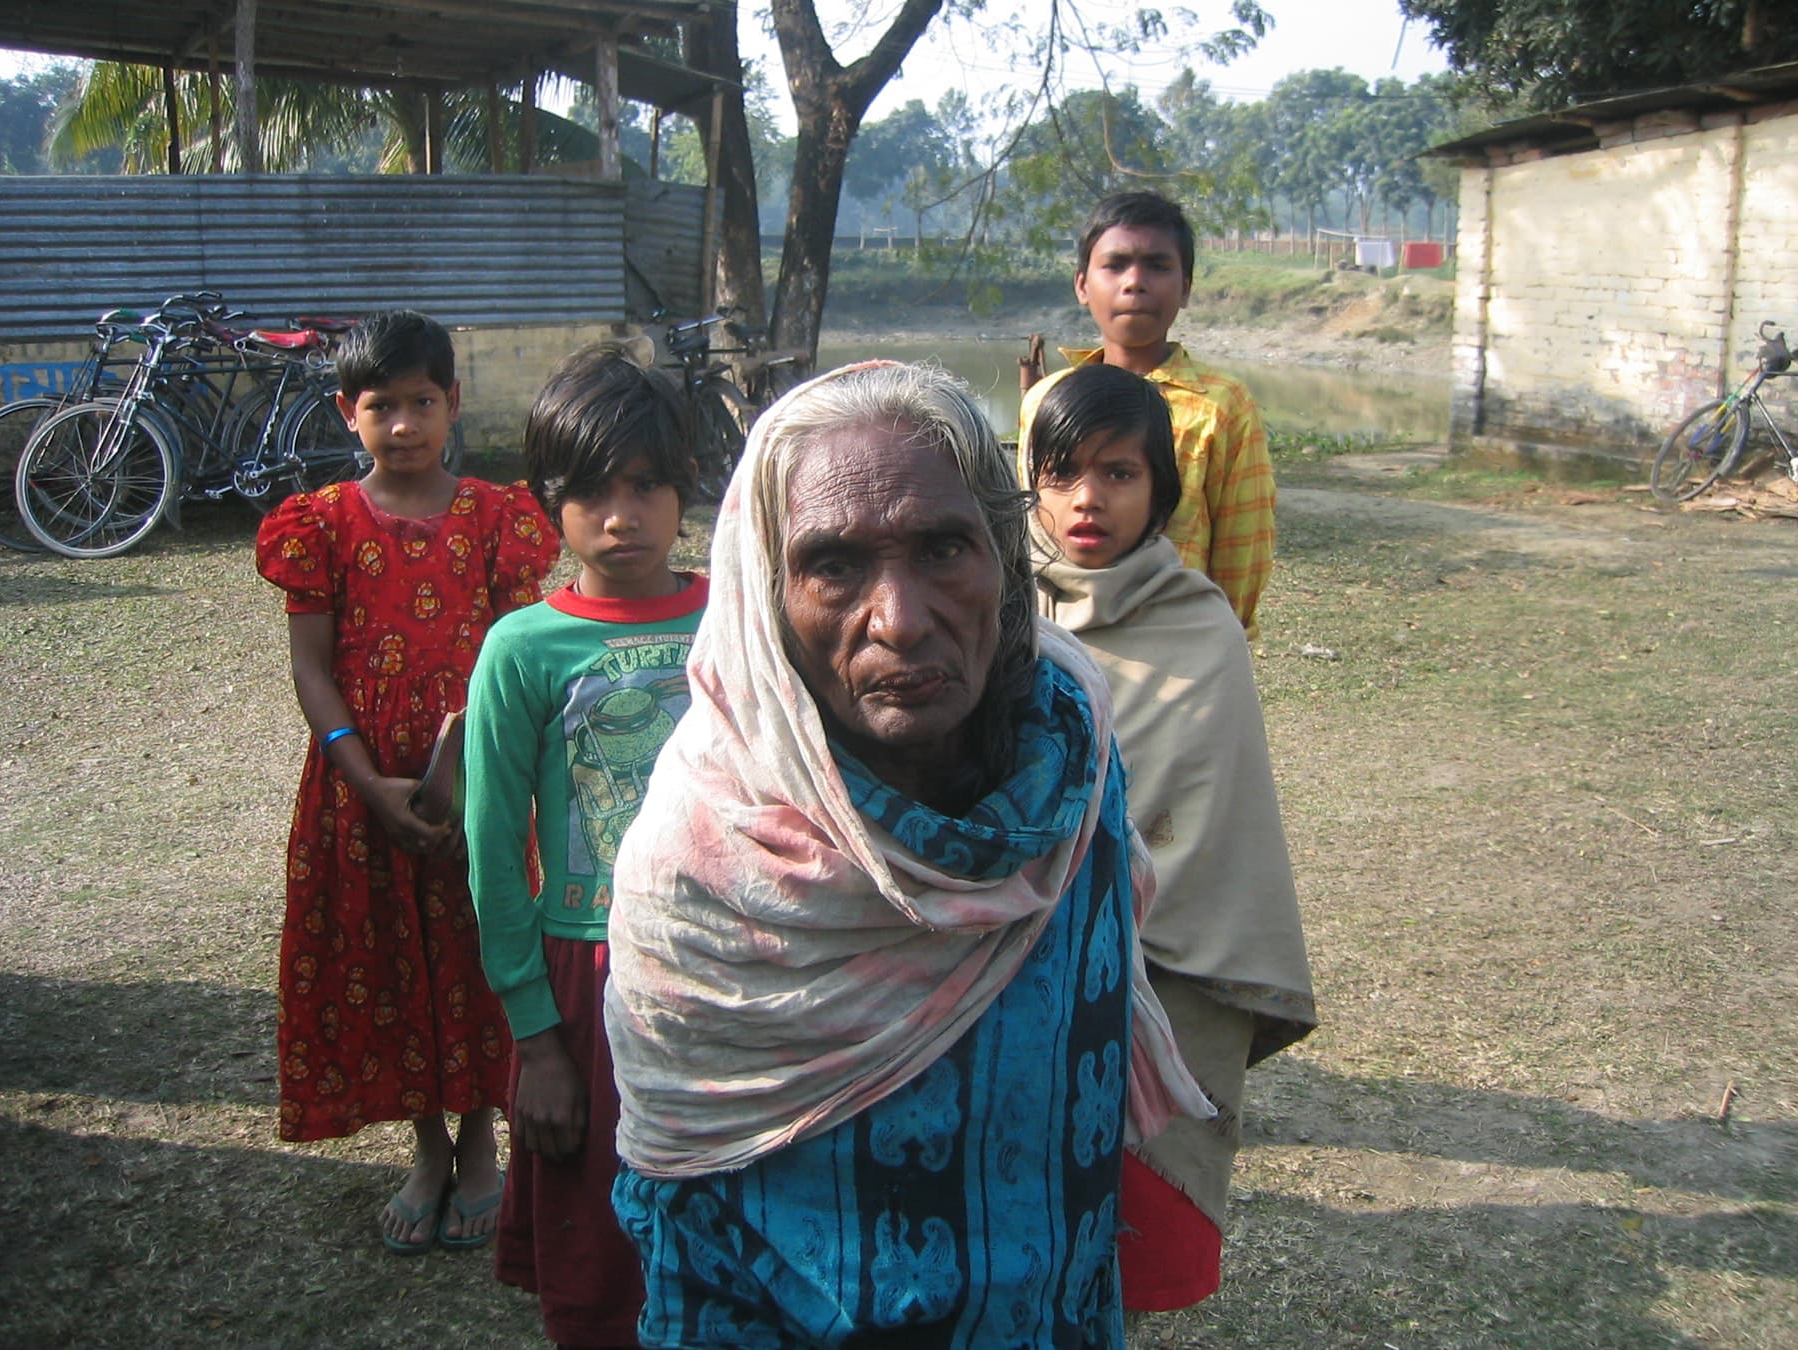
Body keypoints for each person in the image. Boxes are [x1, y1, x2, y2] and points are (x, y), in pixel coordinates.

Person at [602, 361, 1213, 1348]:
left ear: (1008, 559)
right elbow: (691, 1224)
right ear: (766, 593)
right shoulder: (702, 867)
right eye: (834, 565)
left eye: (942, 548)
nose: (899, 619)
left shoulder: (1076, 752)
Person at [255, 309, 559, 1255]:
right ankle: (425, 1147)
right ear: (350, 413)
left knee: (479, 954)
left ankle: (478, 1149)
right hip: (361, 793)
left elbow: (521, 655)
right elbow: (312, 668)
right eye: (381, 406)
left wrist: (492, 778)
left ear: (453, 403)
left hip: (485, 784)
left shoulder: (498, 520)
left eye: (421, 402)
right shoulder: (319, 525)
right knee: (389, 964)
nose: (403, 425)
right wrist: (365, 778)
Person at [1024, 362, 1315, 1313]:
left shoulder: (1203, 629)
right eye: (1062, 473)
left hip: (1155, 971)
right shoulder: (985, 608)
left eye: (1119, 473)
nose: (1087, 500)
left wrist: (1110, 921)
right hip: (999, 959)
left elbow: (1212, 828)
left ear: (1162, 490)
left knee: (1123, 1236)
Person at [464, 346, 708, 1347]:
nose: (623, 516)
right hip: (586, 968)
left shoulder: (737, 619)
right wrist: (536, 1041)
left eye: (647, 485)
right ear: (544, 503)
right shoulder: (522, 649)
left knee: (723, 1221)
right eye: (592, 492)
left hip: (722, 962)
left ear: (684, 488)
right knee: (601, 1261)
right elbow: (490, 851)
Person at [1018, 190, 1276, 638]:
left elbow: (1242, 555)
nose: (1134, 282)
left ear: (1186, 286)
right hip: (1062, 641)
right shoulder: (1045, 400)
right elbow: (1029, 533)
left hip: (1177, 642)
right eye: (1115, 265)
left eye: (1157, 266)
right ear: (1082, 284)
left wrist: (1219, 643)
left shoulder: (1222, 407)